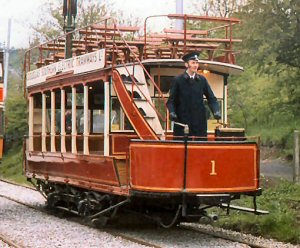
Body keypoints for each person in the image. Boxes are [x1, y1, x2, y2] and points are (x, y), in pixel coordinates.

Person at [167, 51, 221, 139]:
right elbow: (171, 101)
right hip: (182, 123)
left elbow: (212, 99)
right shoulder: (178, 80)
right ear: (186, 65)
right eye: (193, 63)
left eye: (197, 63)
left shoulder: (202, 80)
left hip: (199, 123)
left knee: (200, 148)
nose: (195, 65)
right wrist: (172, 112)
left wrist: (216, 111)